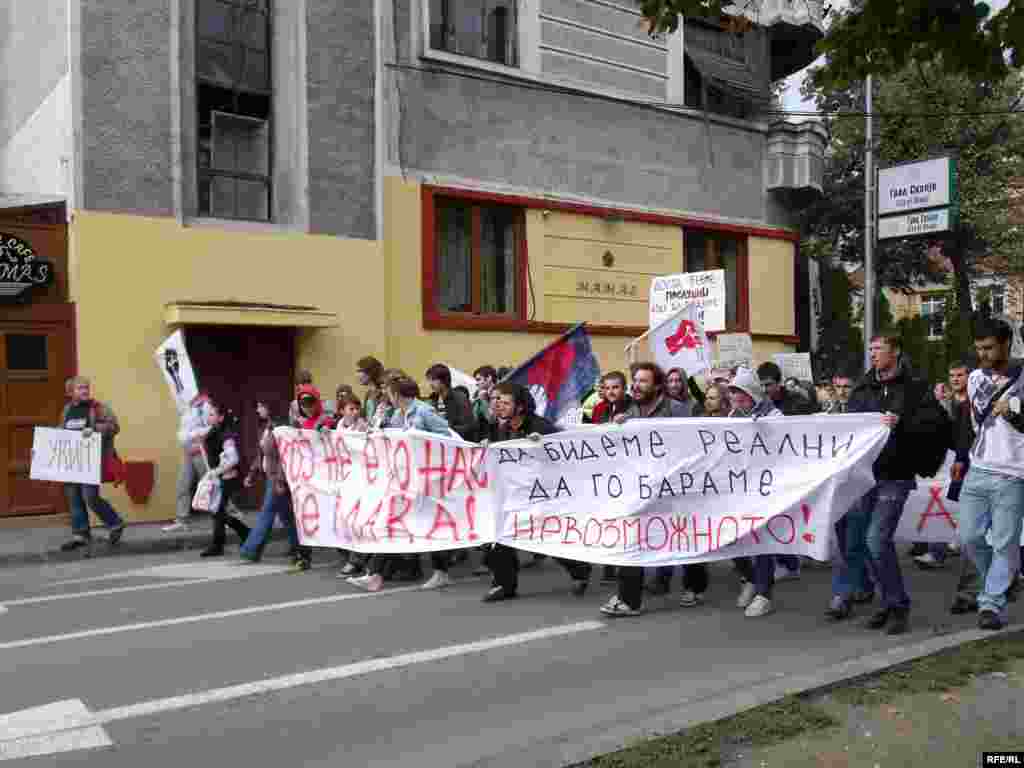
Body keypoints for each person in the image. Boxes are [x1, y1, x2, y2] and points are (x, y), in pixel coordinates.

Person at [824, 331, 949, 634]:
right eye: (871, 349)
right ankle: (887, 602)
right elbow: (852, 427)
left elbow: (936, 425)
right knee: (864, 543)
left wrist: (902, 424)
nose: (873, 354)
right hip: (866, 476)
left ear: (895, 352)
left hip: (896, 475)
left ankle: (898, 606)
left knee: (876, 540)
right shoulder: (864, 387)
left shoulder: (915, 387)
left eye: (878, 349)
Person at [480, 383, 593, 602]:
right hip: (512, 493)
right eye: (496, 401)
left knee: (548, 535)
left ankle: (579, 569)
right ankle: (504, 584)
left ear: (520, 407)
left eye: (504, 402)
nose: (498, 406)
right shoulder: (498, 427)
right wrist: (486, 446)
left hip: (542, 493)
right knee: (498, 535)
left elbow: (561, 457)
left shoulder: (540, 426)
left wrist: (541, 447)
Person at [599, 362, 693, 618]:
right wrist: (617, 426)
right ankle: (630, 598)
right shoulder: (628, 410)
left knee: (684, 535)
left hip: (670, 487)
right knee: (632, 538)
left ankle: (695, 585)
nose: (636, 386)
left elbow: (693, 444)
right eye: (635, 381)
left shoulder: (676, 410)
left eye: (643, 381)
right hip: (638, 488)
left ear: (657, 386)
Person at [349, 378, 450, 593]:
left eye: (390, 393)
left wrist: (420, 438)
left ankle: (441, 572)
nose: (388, 397)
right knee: (392, 521)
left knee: (428, 523)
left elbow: (445, 435)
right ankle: (375, 574)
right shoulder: (397, 414)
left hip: (426, 477)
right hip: (405, 478)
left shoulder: (424, 411)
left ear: (398, 394)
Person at [957, 319, 1024, 631]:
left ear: (1006, 344)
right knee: (968, 537)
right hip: (979, 468)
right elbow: (973, 423)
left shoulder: (1023, 377)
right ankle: (1004, 580)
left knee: (1004, 543)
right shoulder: (973, 379)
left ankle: (991, 603)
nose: (983, 354)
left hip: (1014, 472)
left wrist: (1010, 412)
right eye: (979, 348)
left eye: (989, 348)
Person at [723, 368, 784, 618]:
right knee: (731, 537)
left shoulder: (774, 415)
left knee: (762, 542)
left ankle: (763, 593)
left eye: (740, 392)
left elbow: (784, 445)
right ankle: (749, 578)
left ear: (752, 394)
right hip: (739, 487)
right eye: (733, 392)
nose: (735, 397)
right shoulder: (732, 416)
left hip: (766, 488)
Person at [915, 361, 972, 570]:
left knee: (968, 509)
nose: (955, 379)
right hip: (949, 461)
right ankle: (937, 551)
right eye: (952, 375)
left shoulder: (975, 402)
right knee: (941, 505)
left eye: (960, 375)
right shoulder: (945, 405)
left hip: (971, 461)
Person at [58, 377, 125, 553]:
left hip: (91, 460)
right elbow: (61, 430)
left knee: (90, 497)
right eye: (80, 388)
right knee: (74, 498)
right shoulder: (67, 410)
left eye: (86, 387)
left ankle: (115, 523)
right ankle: (80, 535)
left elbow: (114, 426)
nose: (85, 391)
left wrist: (95, 429)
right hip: (72, 460)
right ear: (70, 392)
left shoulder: (98, 408)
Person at [757, 362, 810, 583]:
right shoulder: (759, 404)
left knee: (784, 517)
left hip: (792, 466)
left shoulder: (797, 402)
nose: (764, 389)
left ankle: (790, 561)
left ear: (778, 383)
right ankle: (786, 562)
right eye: (760, 385)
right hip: (769, 468)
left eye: (768, 385)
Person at [239, 400, 307, 571]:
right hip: (271, 476)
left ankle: (251, 549)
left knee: (267, 512)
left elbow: (285, 457)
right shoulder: (267, 427)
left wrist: (280, 480)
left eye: (261, 406)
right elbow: (261, 455)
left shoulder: (281, 429)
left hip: (277, 478)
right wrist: (252, 474)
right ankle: (299, 546)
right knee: (288, 517)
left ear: (269, 407)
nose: (257, 409)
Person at [199, 399, 252, 557]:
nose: (208, 416)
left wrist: (216, 471)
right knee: (217, 510)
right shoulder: (215, 430)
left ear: (220, 417)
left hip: (227, 477)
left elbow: (233, 458)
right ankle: (236, 536)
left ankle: (237, 535)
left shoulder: (226, 433)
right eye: (208, 414)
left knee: (218, 510)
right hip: (220, 476)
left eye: (212, 414)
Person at [164, 391, 213, 533]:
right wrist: (185, 440)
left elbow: (211, 426)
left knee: (210, 484)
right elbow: (183, 429)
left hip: (200, 449)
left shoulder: (205, 405)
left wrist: (199, 440)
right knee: (183, 484)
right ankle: (182, 520)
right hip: (188, 451)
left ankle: (231, 515)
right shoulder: (187, 406)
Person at [426, 363, 477, 441]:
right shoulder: (432, 400)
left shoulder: (460, 398)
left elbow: (468, 427)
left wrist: (444, 427)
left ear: (444, 380)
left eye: (433, 380)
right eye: (429, 380)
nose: (430, 384)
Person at [356, 357, 385, 423]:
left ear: (370, 372)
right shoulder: (368, 394)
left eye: (360, 371)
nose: (357, 375)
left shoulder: (383, 393)